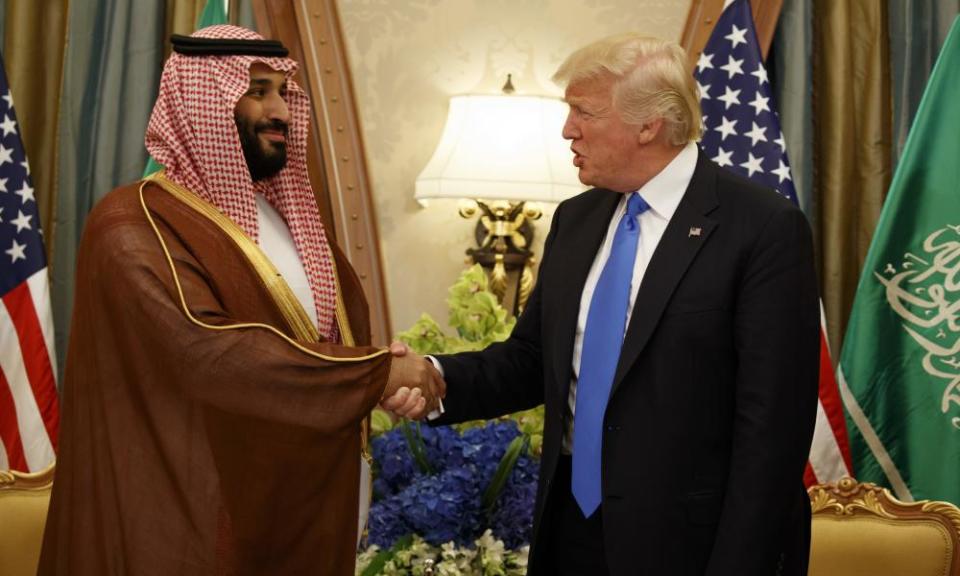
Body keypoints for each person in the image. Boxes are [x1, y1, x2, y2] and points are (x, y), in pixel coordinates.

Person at [38, 25, 442, 576]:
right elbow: (208, 352)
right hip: (186, 517)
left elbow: (331, 338)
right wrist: (376, 375)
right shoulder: (133, 223)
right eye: (257, 91)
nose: (280, 110)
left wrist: (385, 375)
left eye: (283, 91)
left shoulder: (288, 220)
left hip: (293, 513)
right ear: (202, 103)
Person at [414, 34, 820, 575]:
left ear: (649, 125)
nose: (567, 129)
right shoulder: (576, 220)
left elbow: (771, 431)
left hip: (690, 547)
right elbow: (533, 360)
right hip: (571, 534)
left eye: (584, 112)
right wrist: (434, 377)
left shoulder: (762, 228)